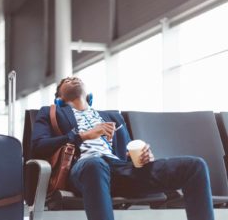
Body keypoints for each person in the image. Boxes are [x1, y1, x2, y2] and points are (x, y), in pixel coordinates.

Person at [31, 76, 214, 220]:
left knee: (195, 166)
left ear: (89, 95)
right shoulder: (51, 113)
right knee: (95, 164)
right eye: (66, 81)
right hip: (84, 169)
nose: (72, 79)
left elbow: (126, 154)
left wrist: (143, 157)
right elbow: (38, 147)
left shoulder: (113, 117)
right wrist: (82, 136)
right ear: (59, 99)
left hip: (120, 170)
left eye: (76, 78)